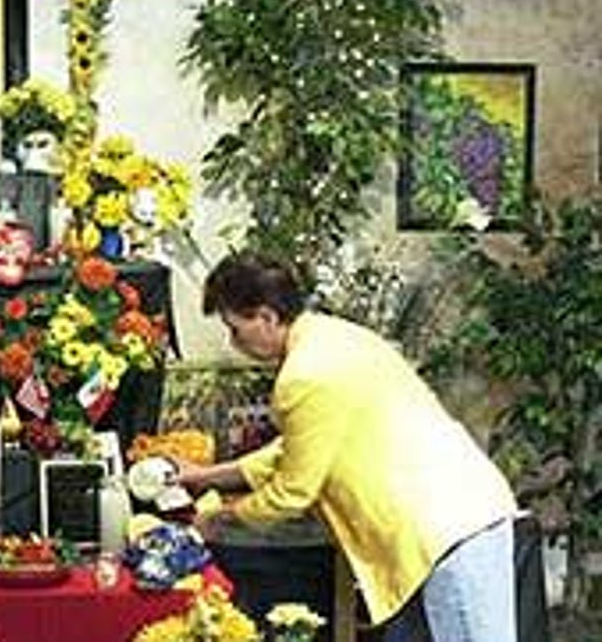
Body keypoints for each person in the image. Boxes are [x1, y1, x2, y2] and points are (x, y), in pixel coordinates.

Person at [176, 252, 517, 642]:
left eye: (235, 328)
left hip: (445, 533)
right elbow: (298, 446)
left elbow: (292, 493)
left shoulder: (304, 374)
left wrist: (218, 519)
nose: (233, 342)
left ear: (267, 317)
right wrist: (205, 476)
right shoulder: (333, 335)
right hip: (458, 518)